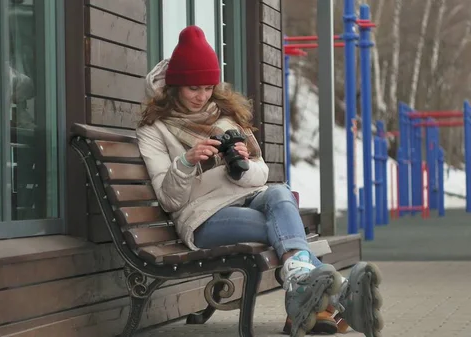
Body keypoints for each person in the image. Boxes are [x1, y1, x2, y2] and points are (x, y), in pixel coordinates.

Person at [136, 25, 383, 337]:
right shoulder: (155, 130)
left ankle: (303, 291)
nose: (201, 96)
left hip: (246, 197)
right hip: (202, 216)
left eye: (208, 87)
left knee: (280, 194)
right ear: (174, 87)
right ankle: (339, 297)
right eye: (192, 88)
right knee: (282, 226)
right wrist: (186, 162)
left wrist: (236, 166)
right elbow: (171, 200)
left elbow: (261, 174)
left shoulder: (224, 119)